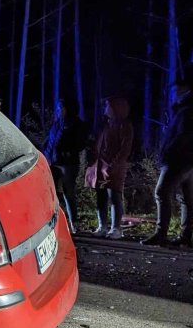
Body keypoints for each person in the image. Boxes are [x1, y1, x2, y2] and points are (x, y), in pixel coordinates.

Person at [143, 77, 193, 246]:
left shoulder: (186, 110)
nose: (172, 94)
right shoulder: (183, 109)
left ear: (184, 89)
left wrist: (169, 152)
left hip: (178, 160)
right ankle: (186, 236)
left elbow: (182, 136)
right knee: (186, 197)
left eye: (175, 90)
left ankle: (161, 233)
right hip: (186, 160)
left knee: (162, 192)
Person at [86, 96, 133, 239]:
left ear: (115, 108)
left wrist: (115, 164)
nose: (105, 108)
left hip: (113, 166)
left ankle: (116, 228)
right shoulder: (106, 124)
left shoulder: (124, 126)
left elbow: (125, 148)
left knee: (114, 196)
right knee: (101, 196)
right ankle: (102, 226)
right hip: (100, 165)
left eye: (108, 106)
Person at [44, 97, 89, 233]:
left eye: (61, 107)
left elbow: (80, 144)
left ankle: (74, 223)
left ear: (69, 108)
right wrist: (46, 155)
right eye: (58, 108)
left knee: (68, 193)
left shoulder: (77, 124)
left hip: (68, 164)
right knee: (52, 193)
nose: (59, 110)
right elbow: (50, 142)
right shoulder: (57, 124)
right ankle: (53, 222)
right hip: (53, 162)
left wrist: (67, 151)